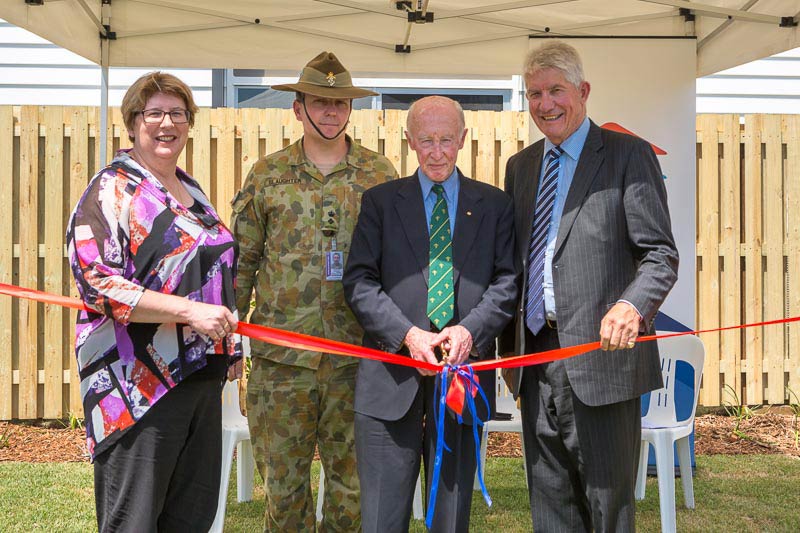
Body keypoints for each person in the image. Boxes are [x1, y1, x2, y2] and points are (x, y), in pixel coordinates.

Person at [499, 41, 679, 532]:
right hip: (534, 360)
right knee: (550, 505)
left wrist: (631, 305)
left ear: (583, 91)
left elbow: (661, 254)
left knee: (608, 506)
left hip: (603, 361)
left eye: (556, 90)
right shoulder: (521, 167)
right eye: (534, 94)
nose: (545, 103)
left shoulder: (628, 155)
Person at [66, 71, 242, 532]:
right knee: (135, 521)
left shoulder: (191, 190)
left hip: (200, 377)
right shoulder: (111, 190)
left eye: (178, 114)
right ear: (132, 123)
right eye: (155, 113)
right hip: (138, 387)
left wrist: (231, 346)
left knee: (190, 519)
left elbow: (216, 270)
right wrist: (188, 312)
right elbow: (96, 282)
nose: (167, 123)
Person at [231, 51, 398, 531]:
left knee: (352, 495)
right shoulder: (267, 175)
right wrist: (225, 339)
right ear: (298, 108)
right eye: (319, 102)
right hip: (282, 361)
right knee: (284, 496)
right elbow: (242, 263)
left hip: (357, 360)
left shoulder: (378, 174)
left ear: (350, 110)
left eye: (339, 103)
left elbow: (399, 263)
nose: (330, 112)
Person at [343, 95, 517, 533]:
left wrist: (469, 332)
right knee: (382, 517)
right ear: (409, 141)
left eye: (445, 140)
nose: (436, 152)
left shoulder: (495, 205)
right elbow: (360, 282)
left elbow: (506, 282)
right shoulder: (380, 203)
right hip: (390, 377)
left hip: (462, 375)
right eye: (426, 140)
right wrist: (408, 335)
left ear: (462, 139)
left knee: (452, 517)